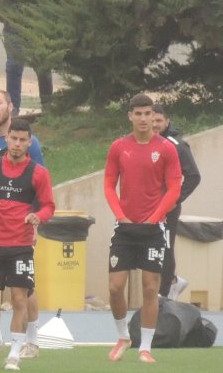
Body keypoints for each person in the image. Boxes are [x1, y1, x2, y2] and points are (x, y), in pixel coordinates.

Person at [0, 117, 55, 371]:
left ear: (29, 143)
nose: (17, 144)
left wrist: (38, 216)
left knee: (19, 298)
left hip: (20, 245)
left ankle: (15, 354)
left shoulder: (38, 173)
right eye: (13, 139)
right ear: (7, 139)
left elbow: (49, 205)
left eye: (22, 140)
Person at [104, 94, 181, 363]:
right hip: (124, 229)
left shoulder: (167, 149)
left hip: (153, 230)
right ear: (130, 116)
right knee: (115, 287)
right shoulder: (118, 147)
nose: (144, 119)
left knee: (150, 289)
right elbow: (108, 184)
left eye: (148, 113)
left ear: (153, 116)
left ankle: (145, 347)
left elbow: (174, 189)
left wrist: (156, 216)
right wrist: (120, 215)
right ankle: (122, 336)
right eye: (138, 114)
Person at [152, 105, 201, 299]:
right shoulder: (146, 142)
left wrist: (175, 200)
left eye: (159, 121)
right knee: (152, 248)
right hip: (147, 206)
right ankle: (172, 281)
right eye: (152, 120)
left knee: (165, 247)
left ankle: (164, 294)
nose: (155, 124)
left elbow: (194, 176)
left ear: (167, 121)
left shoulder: (177, 145)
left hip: (168, 208)